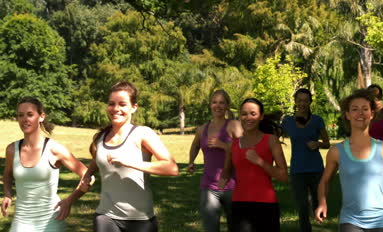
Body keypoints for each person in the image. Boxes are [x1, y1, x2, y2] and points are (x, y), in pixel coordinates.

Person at [80, 81, 179, 232]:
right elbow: (98, 159)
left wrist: (131, 162)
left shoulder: (142, 134)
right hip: (106, 215)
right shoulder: (102, 137)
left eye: (122, 104)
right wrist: (87, 175)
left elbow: (171, 168)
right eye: (111, 104)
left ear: (134, 107)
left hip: (140, 219)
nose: (116, 109)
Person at [315, 89, 383, 231]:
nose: (360, 113)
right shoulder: (336, 151)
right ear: (348, 115)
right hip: (350, 220)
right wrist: (322, 202)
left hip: (381, 220)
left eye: (365, 109)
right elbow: (325, 181)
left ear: (371, 114)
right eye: (355, 109)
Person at [2, 97, 88, 231]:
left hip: (50, 221)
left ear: (41, 117)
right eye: (20, 115)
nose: (25, 119)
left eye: (30, 114)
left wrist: (69, 200)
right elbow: (7, 175)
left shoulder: (54, 149)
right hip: (21, 221)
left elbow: (88, 176)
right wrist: (7, 194)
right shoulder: (12, 150)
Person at [219, 98, 288, 232]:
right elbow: (226, 172)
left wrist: (260, 162)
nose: (248, 117)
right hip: (239, 204)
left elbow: (284, 176)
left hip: (266, 205)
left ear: (261, 116)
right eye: (244, 114)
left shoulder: (271, 141)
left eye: (253, 113)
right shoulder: (233, 145)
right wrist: (222, 180)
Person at [187, 89, 243, 232]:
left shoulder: (234, 125)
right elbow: (195, 146)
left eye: (221, 103)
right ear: (210, 105)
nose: (217, 106)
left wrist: (223, 145)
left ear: (227, 105)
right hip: (209, 186)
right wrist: (191, 161)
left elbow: (245, 150)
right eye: (214, 102)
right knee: (210, 228)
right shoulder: (202, 129)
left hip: (233, 185)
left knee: (237, 227)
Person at [281, 88, 330, 232]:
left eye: (306, 101)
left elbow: (327, 143)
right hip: (297, 169)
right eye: (300, 100)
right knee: (302, 206)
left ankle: (321, 226)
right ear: (295, 102)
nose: (302, 103)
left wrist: (318, 144)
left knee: (317, 203)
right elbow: (275, 135)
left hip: (315, 169)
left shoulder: (317, 120)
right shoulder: (288, 121)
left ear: (310, 102)